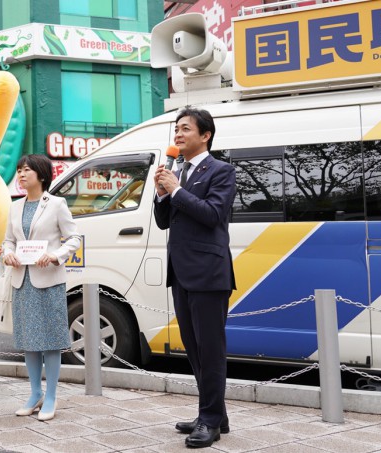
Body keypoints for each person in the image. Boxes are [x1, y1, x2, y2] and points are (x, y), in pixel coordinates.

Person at [153, 106, 236, 449]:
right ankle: (214, 413)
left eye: (185, 128)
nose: (178, 134)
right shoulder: (178, 172)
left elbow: (213, 215)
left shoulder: (221, 170)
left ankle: (211, 421)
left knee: (210, 349)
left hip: (208, 273)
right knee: (194, 348)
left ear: (205, 135)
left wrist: (175, 190)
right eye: (176, 129)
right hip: (182, 273)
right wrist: (161, 195)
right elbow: (163, 222)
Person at [2, 154, 81, 421]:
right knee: (29, 342)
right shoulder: (14, 207)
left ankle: (51, 396)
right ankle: (34, 393)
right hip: (22, 280)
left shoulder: (57, 204)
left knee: (50, 342)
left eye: (27, 170)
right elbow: (8, 241)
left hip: (48, 280)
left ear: (42, 175)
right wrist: (8, 254)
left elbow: (74, 238)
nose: (22, 175)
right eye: (19, 170)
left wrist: (56, 255)